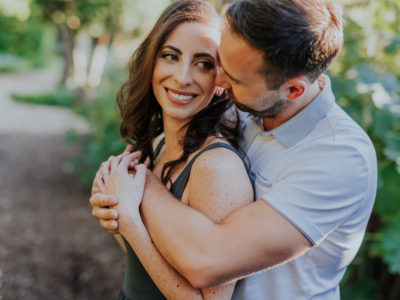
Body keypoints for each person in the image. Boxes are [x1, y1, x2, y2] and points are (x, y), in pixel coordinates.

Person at [91, 0, 378, 299]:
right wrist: (116, 206)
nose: (218, 80)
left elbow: (207, 260)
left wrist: (139, 182)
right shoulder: (243, 108)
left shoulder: (340, 158)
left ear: (293, 90)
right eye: (219, 63)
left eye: (233, 77)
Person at [92, 0, 254, 299]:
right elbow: (148, 257)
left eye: (204, 63)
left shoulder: (217, 168)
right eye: (170, 56)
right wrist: (114, 213)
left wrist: (129, 220)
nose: (182, 77)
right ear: (152, 61)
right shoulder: (158, 144)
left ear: (221, 79)